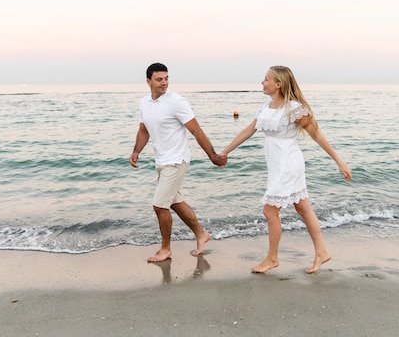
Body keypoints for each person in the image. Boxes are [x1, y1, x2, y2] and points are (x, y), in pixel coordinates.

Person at [222, 66, 351, 274]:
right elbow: (248, 130)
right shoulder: (266, 107)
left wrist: (339, 161)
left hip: (288, 164)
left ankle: (272, 258)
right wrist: (225, 152)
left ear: (278, 84)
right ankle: (322, 252)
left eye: (266, 79)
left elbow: (317, 135)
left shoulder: (295, 108)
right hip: (276, 165)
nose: (262, 82)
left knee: (269, 210)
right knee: (303, 208)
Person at [130, 63, 227, 263]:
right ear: (148, 81)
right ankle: (201, 234)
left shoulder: (177, 102)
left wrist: (213, 155)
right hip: (162, 161)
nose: (164, 82)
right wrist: (136, 150)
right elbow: (144, 129)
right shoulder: (144, 103)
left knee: (159, 205)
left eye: (166, 78)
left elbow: (196, 131)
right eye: (159, 79)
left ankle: (166, 248)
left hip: (176, 160)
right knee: (174, 202)